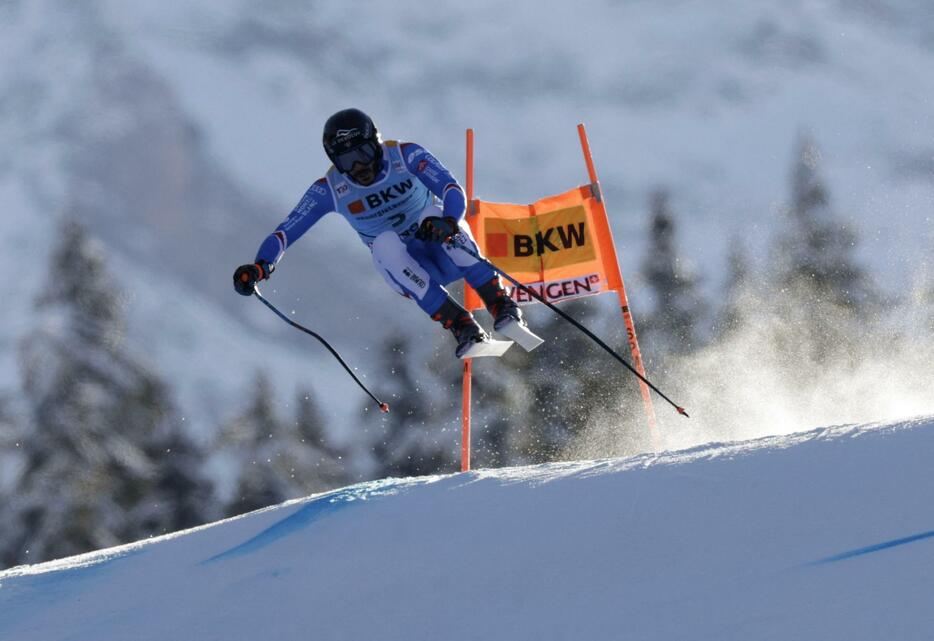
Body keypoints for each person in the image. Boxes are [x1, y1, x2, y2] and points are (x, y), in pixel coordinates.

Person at [233, 108, 531, 358]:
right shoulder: (330, 190)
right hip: (409, 269)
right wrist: (261, 265)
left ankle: (501, 304)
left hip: (442, 244)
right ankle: (462, 327)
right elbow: (285, 232)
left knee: (432, 213)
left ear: (376, 144)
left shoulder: (405, 155)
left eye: (364, 153)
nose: (360, 166)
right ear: (335, 162)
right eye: (347, 161)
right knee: (384, 243)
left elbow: (452, 189)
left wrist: (449, 221)